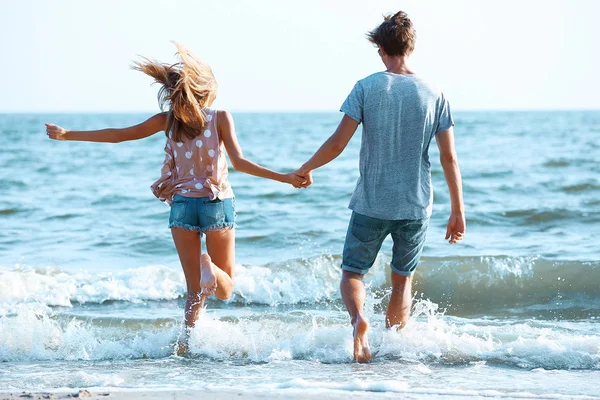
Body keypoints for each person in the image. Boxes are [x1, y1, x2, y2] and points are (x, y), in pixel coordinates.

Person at [46, 43, 305, 353]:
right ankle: (210, 268)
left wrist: (67, 134)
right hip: (216, 202)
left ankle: (187, 344)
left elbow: (119, 135)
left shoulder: (167, 121)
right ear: (206, 92)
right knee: (224, 289)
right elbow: (240, 164)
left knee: (193, 289)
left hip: (182, 206)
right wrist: (286, 177)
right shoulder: (220, 117)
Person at [294, 11, 465, 363]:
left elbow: (337, 144)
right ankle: (394, 352)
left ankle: (359, 321)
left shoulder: (367, 87)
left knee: (353, 273)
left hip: (371, 203)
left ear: (380, 49)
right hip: (415, 206)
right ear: (411, 46)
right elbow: (449, 158)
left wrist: (306, 168)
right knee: (402, 279)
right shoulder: (435, 93)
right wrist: (458, 210)